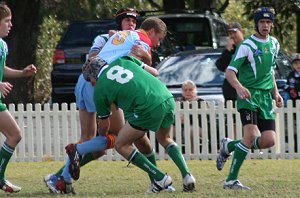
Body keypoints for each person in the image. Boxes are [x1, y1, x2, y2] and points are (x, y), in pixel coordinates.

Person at [46, 16, 172, 194]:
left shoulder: (117, 36)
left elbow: (95, 58)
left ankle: (61, 178)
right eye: (158, 39)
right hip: (101, 83)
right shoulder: (141, 39)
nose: (157, 44)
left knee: (92, 139)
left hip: (86, 80)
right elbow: (140, 64)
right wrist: (148, 58)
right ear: (151, 31)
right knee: (119, 137)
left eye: (134, 21)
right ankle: (68, 164)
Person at [78, 55, 196, 193]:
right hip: (166, 97)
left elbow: (104, 125)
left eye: (89, 79)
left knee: (121, 144)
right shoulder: (123, 59)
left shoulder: (100, 90)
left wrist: (103, 137)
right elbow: (153, 72)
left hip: (146, 107)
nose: (91, 83)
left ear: (93, 74)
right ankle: (187, 176)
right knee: (164, 138)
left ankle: (160, 178)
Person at [216, 7, 283, 190]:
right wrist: (239, 87)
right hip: (248, 95)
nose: (265, 25)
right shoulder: (247, 45)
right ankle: (231, 180)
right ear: (256, 24)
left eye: (268, 22)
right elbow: (230, 71)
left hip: (265, 97)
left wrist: (275, 93)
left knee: (269, 140)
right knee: (251, 134)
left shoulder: (275, 44)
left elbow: (269, 72)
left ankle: (229, 146)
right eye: (262, 22)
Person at [0, 3, 37, 193]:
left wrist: (23, 73)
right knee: (15, 135)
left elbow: (2, 69)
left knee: (14, 135)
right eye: (7, 21)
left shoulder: (2, 45)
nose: (11, 25)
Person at [215, 22, 244, 105]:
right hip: (231, 93)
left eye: (234, 32)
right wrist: (228, 49)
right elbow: (220, 65)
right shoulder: (230, 50)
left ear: (241, 31)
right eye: (230, 33)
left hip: (245, 89)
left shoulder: (248, 46)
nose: (232, 35)